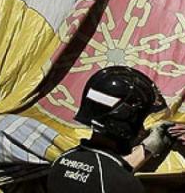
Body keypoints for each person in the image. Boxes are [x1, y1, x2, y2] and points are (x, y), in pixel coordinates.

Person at [48, 66, 176, 193]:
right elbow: (111, 176)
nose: (142, 130)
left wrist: (148, 148)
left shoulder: (61, 161)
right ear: (122, 120)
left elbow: (102, 171)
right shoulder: (122, 183)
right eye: (139, 122)